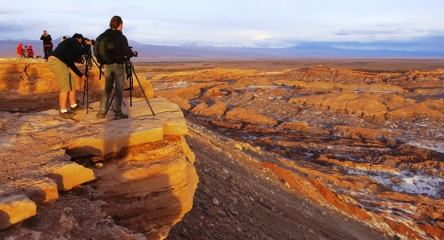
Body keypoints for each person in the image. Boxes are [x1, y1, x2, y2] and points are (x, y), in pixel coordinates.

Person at [96, 15, 137, 120]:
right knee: (118, 89)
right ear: (119, 25)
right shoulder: (121, 37)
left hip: (108, 65)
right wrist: (132, 53)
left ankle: (101, 112)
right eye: (121, 24)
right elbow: (127, 52)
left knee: (107, 88)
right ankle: (118, 112)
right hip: (118, 66)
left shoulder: (104, 36)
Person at [47, 33, 92, 119]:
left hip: (60, 63)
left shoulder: (69, 47)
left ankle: (73, 106)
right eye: (81, 41)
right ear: (78, 39)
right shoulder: (73, 40)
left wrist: (81, 75)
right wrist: (88, 45)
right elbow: (82, 51)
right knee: (65, 87)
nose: (81, 44)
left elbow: (71, 64)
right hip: (57, 62)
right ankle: (63, 111)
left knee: (72, 84)